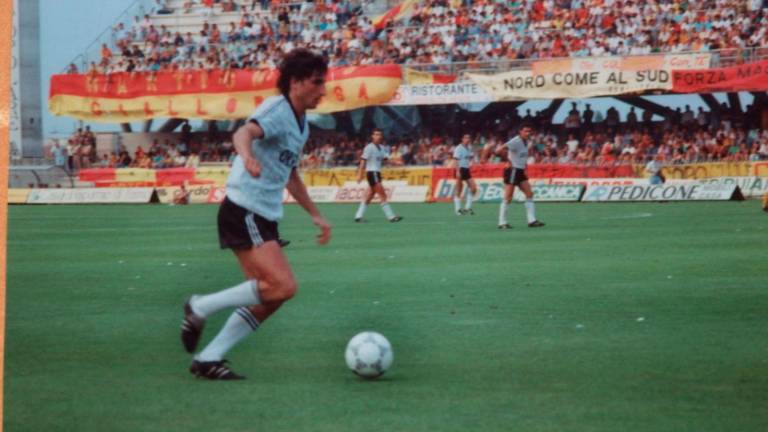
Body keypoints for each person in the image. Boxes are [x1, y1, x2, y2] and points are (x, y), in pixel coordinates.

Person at [180, 48, 332, 380]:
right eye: (317, 82)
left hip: (261, 214)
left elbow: (290, 175)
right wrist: (247, 156)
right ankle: (200, 306)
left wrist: (315, 215)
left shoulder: (301, 123)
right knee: (283, 287)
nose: (323, 90)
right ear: (295, 82)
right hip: (244, 209)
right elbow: (243, 133)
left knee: (270, 295)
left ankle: (209, 357)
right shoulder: (277, 110)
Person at [483, 124, 545, 229]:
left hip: (520, 171)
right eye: (525, 131)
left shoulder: (526, 142)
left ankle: (532, 220)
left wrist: (524, 168)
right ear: (520, 132)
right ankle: (502, 222)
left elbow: (520, 156)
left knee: (529, 193)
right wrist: (508, 160)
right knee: (508, 196)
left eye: (529, 131)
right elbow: (500, 149)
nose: (528, 133)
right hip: (512, 170)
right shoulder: (516, 141)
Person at [353, 128, 403, 223]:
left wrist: (396, 163)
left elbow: (386, 159)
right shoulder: (369, 147)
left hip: (377, 173)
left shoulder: (382, 148)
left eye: (379, 134)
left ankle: (358, 216)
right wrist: (360, 174)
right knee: (382, 194)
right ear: (372, 136)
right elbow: (363, 161)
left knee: (370, 195)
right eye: (376, 134)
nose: (378, 136)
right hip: (372, 173)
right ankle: (391, 216)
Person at [452, 133, 478, 215]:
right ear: (462, 139)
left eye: (469, 138)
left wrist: (473, 159)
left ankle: (468, 207)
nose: (468, 139)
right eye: (466, 138)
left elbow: (470, 157)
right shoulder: (458, 148)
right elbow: (456, 160)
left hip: (466, 169)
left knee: (473, 188)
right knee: (459, 189)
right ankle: (458, 209)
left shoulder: (469, 148)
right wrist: (457, 171)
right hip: (460, 168)